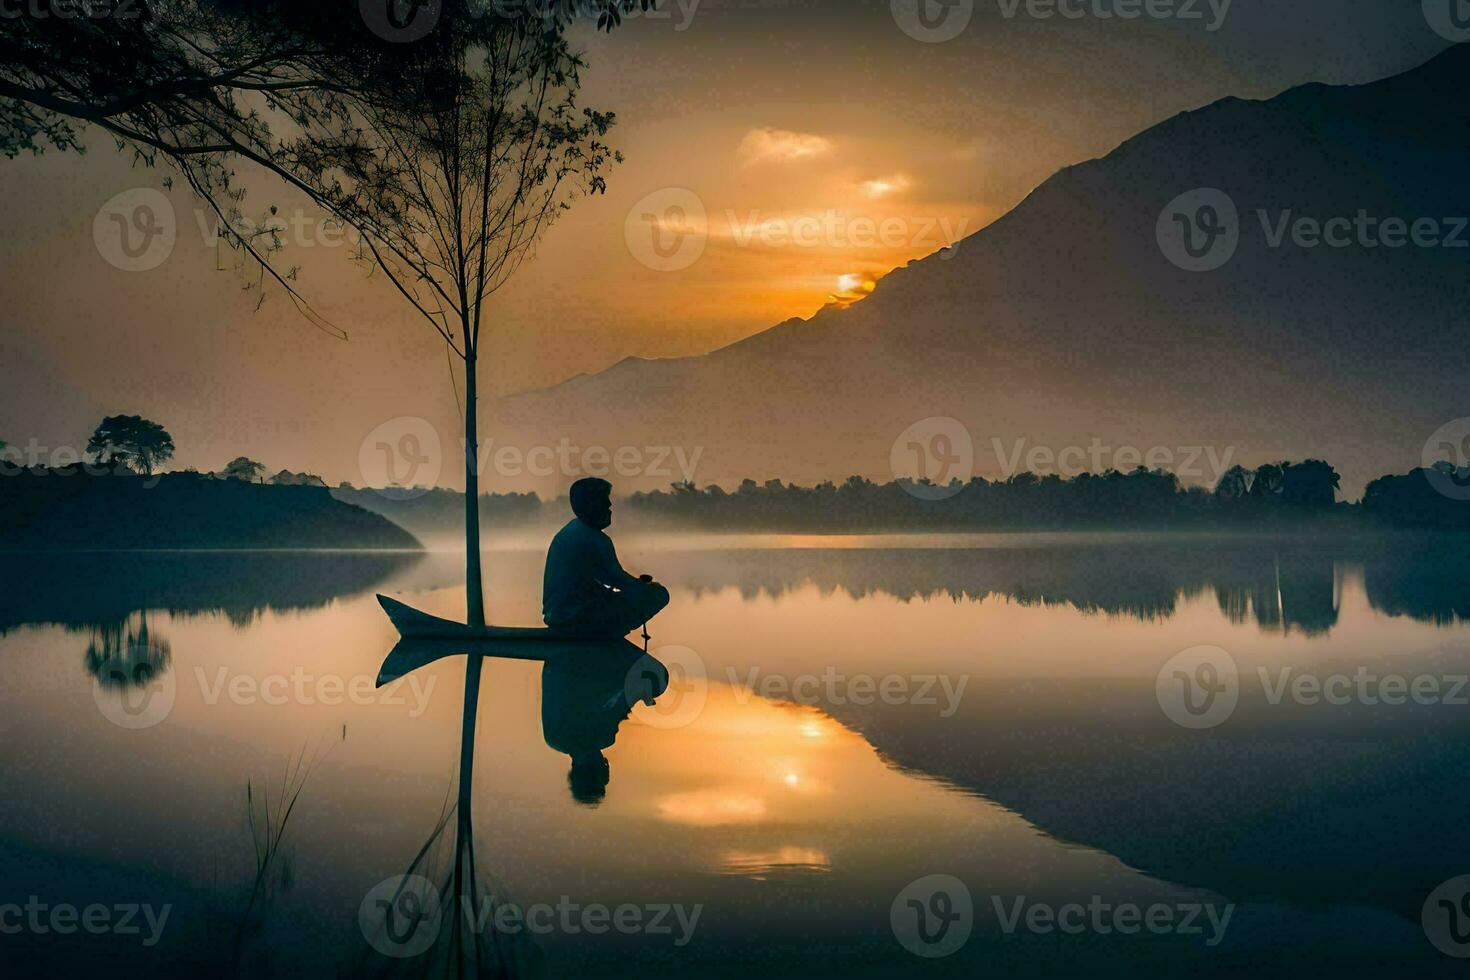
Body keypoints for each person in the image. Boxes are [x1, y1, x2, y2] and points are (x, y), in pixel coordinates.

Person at [543, 477, 669, 639]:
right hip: (576, 618)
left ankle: (607, 632)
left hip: (557, 616)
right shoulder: (594, 539)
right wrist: (645, 588)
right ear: (592, 505)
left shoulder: (569, 532)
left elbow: (593, 581)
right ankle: (608, 634)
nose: (610, 505)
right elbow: (617, 579)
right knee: (659, 594)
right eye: (604, 500)